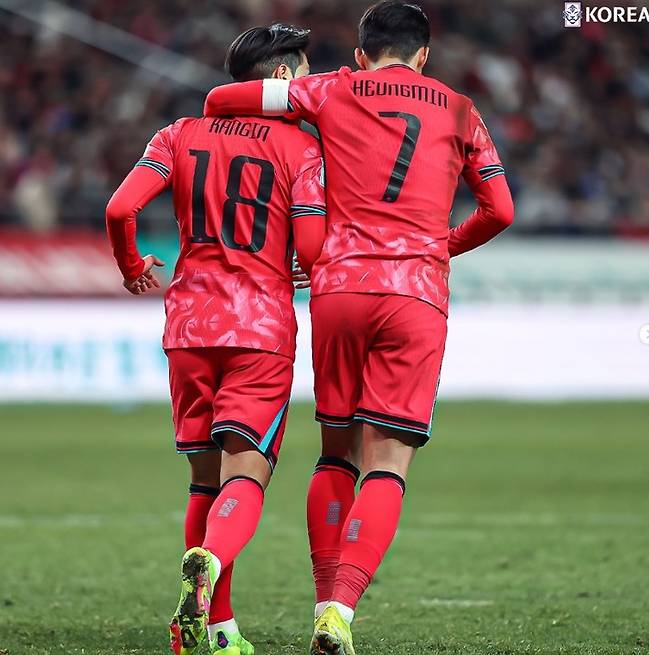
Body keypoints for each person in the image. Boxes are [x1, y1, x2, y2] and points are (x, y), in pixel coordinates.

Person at [202, 3, 514, 654]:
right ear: (424, 55)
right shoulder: (458, 108)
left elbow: (221, 98)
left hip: (339, 287)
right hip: (415, 292)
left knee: (335, 450)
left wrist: (294, 99)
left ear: (365, 52)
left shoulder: (332, 87)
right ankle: (339, 610)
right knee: (389, 461)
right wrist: (439, 246)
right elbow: (500, 209)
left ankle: (320, 595)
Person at [105, 24, 326, 655]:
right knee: (244, 478)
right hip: (258, 327)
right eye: (305, 73)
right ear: (282, 78)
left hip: (189, 324)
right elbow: (309, 251)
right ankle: (209, 565)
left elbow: (120, 210)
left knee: (204, 482)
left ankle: (215, 630)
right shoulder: (300, 147)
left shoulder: (177, 134)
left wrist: (130, 267)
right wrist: (303, 262)